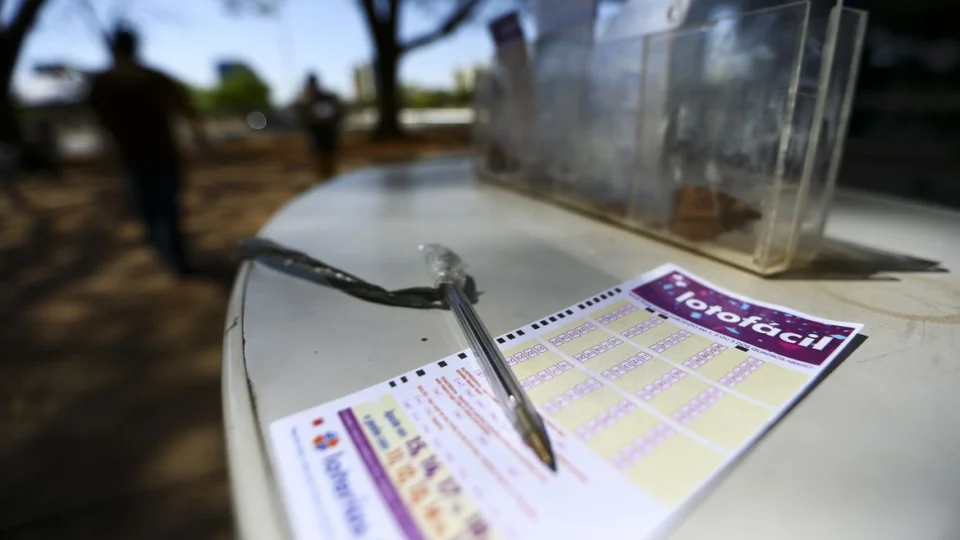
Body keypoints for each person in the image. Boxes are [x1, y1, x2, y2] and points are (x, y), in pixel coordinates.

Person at [87, 27, 207, 276]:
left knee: (160, 209)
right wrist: (199, 139)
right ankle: (169, 253)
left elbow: (99, 124)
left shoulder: (109, 83)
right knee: (158, 210)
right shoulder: (121, 82)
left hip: (149, 158)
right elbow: (187, 110)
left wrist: (104, 153)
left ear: (114, 49)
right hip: (151, 157)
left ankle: (172, 255)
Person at [297, 73, 343, 180]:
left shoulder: (326, 98)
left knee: (330, 163)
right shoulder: (306, 100)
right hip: (316, 138)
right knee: (319, 165)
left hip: (328, 135)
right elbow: (304, 120)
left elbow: (337, 114)